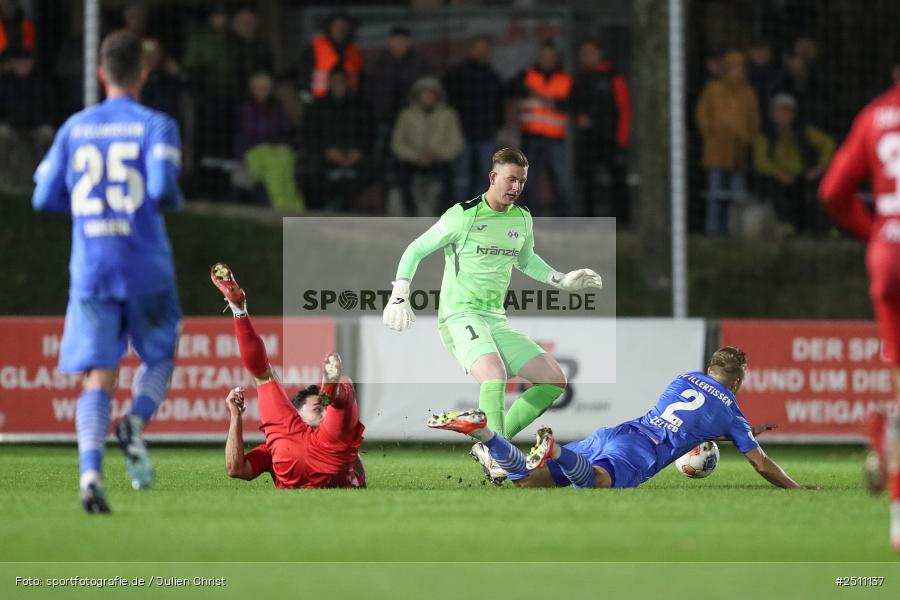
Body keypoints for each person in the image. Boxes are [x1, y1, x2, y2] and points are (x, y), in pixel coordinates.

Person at [31, 30, 184, 513]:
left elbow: (42, 197)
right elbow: (161, 190)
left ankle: (90, 475)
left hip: (92, 269)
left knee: (98, 374)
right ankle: (135, 422)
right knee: (158, 355)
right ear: (143, 72)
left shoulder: (74, 128)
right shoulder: (156, 125)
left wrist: (85, 209)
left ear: (101, 73)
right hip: (144, 268)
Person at [383, 147, 602, 453]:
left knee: (554, 381)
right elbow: (416, 249)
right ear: (493, 176)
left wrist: (561, 280)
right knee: (494, 375)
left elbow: (526, 261)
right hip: (459, 316)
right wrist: (399, 292)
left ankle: (490, 447)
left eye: (522, 182)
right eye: (511, 180)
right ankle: (501, 457)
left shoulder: (522, 218)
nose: (516, 188)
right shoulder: (463, 215)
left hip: (494, 320)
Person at [429, 346, 809, 493]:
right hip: (641, 451)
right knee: (598, 482)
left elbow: (691, 419)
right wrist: (796, 488)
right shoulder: (731, 411)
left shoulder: (684, 378)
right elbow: (760, 464)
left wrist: (737, 431)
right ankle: (556, 449)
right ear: (738, 381)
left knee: (526, 481)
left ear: (709, 369)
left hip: (618, 432)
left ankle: (485, 433)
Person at [818, 69, 900, 551]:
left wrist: (875, 232)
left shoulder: (875, 115)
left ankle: (896, 521)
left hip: (888, 256)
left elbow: (832, 193)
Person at [211, 263, 366, 489]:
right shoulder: (328, 437)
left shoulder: (273, 446)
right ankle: (332, 393)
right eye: (318, 408)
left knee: (263, 376)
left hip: (288, 451)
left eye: (322, 407)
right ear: (297, 413)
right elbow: (236, 470)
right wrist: (235, 416)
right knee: (346, 389)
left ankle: (239, 310)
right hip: (329, 455)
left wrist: (235, 417)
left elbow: (236, 468)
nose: (323, 414)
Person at [695, 50, 760, 235]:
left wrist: (746, 137)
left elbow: (754, 121)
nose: (737, 72)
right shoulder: (713, 89)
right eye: (733, 68)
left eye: (740, 68)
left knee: (738, 194)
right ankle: (713, 229)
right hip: (716, 149)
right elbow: (702, 115)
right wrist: (713, 133)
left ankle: (737, 230)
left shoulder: (748, 93)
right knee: (715, 192)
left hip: (739, 150)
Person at [753, 93, 834, 234]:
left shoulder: (803, 131)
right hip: (775, 178)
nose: (783, 115)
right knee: (778, 192)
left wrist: (819, 168)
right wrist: (778, 173)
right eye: (779, 110)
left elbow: (828, 143)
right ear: (772, 113)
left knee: (816, 191)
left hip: (801, 176)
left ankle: (821, 229)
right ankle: (786, 225)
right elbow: (760, 161)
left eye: (787, 111)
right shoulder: (765, 134)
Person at [509, 41, 574, 216]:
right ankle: (530, 219)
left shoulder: (565, 79)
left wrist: (552, 102)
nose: (547, 59)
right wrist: (526, 89)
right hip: (531, 135)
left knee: (561, 180)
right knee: (529, 181)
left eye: (550, 56)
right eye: (544, 56)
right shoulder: (527, 76)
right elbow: (510, 88)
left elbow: (573, 103)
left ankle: (562, 219)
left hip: (556, 137)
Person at [571, 39, 631, 222]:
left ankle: (621, 220)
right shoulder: (580, 78)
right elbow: (572, 105)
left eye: (590, 52)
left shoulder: (614, 77)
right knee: (587, 181)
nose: (586, 56)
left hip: (611, 139)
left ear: (599, 53)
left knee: (617, 181)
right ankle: (588, 219)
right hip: (588, 139)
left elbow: (624, 109)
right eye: (583, 53)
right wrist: (578, 117)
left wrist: (622, 139)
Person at [443, 36, 504, 200]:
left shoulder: (493, 76)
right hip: (462, 133)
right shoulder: (457, 73)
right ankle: (461, 212)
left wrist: (496, 126)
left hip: (485, 134)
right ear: (471, 49)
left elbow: (499, 104)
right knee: (462, 177)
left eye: (485, 50)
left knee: (484, 177)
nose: (482, 53)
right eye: (479, 49)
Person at [390, 76, 463, 215]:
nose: (427, 97)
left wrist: (436, 154)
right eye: (424, 93)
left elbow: (456, 143)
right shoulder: (406, 115)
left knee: (448, 180)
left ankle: (445, 214)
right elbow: (397, 143)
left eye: (431, 93)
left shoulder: (448, 115)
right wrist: (415, 156)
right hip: (413, 160)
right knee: (402, 177)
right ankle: (410, 211)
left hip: (438, 160)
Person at [235, 71, 304, 211]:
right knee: (275, 166)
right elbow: (250, 134)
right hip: (253, 152)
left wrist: (278, 143)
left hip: (277, 150)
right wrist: (270, 140)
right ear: (252, 89)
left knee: (284, 161)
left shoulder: (277, 108)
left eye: (265, 88)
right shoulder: (247, 109)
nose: (262, 91)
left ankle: (296, 209)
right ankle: (284, 210)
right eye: (258, 88)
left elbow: (286, 130)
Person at [297, 11, 361, 101]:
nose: (340, 29)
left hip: (349, 104)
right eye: (337, 26)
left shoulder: (354, 51)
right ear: (329, 27)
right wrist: (306, 99)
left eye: (344, 26)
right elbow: (303, 74)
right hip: (319, 103)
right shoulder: (315, 47)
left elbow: (360, 78)